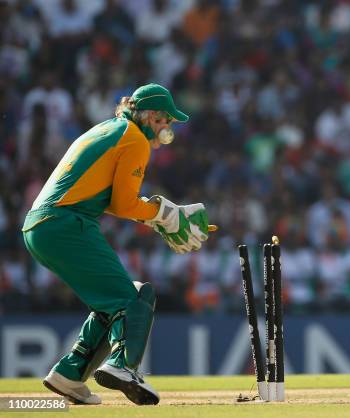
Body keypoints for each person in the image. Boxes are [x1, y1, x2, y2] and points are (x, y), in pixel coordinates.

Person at [22, 83, 215, 405]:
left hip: (40, 227)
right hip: (66, 224)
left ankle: (69, 374)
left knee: (110, 303)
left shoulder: (109, 129)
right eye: (165, 120)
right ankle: (122, 366)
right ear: (151, 115)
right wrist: (164, 213)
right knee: (134, 297)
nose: (167, 129)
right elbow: (125, 204)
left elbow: (109, 200)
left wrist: (158, 216)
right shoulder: (135, 138)